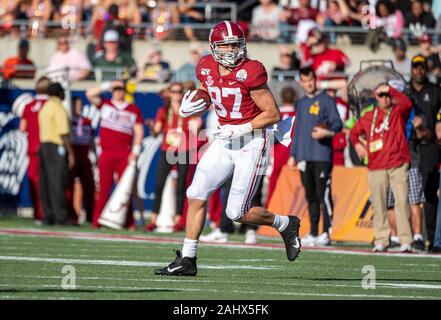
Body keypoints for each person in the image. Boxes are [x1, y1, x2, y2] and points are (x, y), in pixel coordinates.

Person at [154, 21, 301, 277]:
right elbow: (209, 91)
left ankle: (285, 223)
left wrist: (242, 128)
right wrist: (196, 104)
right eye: (226, 45)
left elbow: (273, 113)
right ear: (214, 47)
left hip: (253, 140)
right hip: (225, 138)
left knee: (237, 212)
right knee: (195, 193)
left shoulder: (251, 71)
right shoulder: (206, 67)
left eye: (235, 44)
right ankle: (187, 258)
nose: (232, 50)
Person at [350, 83, 413, 252]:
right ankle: (381, 239)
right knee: (378, 204)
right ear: (375, 97)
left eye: (387, 95)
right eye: (381, 95)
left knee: (402, 202)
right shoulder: (369, 115)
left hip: (398, 163)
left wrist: (390, 89)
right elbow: (354, 132)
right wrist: (357, 145)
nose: (385, 98)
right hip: (377, 165)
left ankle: (405, 240)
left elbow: (407, 103)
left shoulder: (398, 111)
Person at [288, 67, 343, 247]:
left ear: (315, 79)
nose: (308, 83)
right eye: (305, 81)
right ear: (301, 82)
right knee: (310, 195)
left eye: (310, 79)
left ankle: (326, 232)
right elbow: (297, 132)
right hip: (304, 155)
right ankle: (313, 231)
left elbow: (337, 123)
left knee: (323, 194)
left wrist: (326, 132)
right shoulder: (302, 103)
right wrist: (293, 154)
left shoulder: (327, 100)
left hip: (321, 156)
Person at [86, 79, 144, 229]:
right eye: (116, 89)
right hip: (106, 152)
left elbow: (139, 131)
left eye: (121, 89)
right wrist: (107, 84)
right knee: (103, 188)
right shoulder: (105, 104)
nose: (118, 91)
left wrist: (135, 151)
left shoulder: (133, 109)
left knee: (124, 188)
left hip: (124, 152)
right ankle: (97, 220)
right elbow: (89, 94)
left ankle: (129, 221)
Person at [144, 82, 202, 232]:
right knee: (159, 183)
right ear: (169, 93)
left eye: (179, 91)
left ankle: (178, 220)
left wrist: (197, 124)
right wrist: (151, 126)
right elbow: (156, 132)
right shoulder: (163, 110)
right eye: (174, 91)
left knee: (181, 185)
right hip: (167, 149)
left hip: (184, 150)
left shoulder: (188, 110)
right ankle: (153, 219)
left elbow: (197, 128)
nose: (176, 94)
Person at [408, 55, 441, 251]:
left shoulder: (435, 92)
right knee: (409, 195)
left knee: (429, 193)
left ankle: (431, 237)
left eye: (422, 67)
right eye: (416, 67)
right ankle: (411, 237)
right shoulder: (405, 91)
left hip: (430, 148)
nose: (419, 71)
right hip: (410, 147)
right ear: (411, 69)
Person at [38, 82, 75, 226]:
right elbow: (64, 132)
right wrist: (71, 153)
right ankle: (61, 217)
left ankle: (49, 215)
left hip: (44, 146)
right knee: (57, 183)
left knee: (45, 183)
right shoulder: (59, 108)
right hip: (56, 147)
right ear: (59, 93)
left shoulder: (45, 107)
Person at [19, 76, 51, 223]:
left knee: (34, 181)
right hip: (48, 148)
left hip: (32, 148)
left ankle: (37, 214)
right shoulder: (51, 105)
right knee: (50, 182)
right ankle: (48, 213)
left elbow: (22, 128)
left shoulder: (28, 106)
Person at [66, 96, 96, 224]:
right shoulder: (68, 121)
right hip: (73, 154)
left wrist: (95, 155)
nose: (78, 107)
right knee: (69, 188)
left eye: (80, 105)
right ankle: (72, 215)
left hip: (84, 156)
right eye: (75, 105)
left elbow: (91, 140)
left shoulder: (87, 121)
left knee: (89, 187)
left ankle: (91, 215)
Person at [266, 86, 296, 206]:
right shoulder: (298, 115)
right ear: (294, 98)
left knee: (273, 186)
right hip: (291, 156)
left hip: (276, 156)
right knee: (292, 188)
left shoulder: (274, 115)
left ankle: (269, 209)